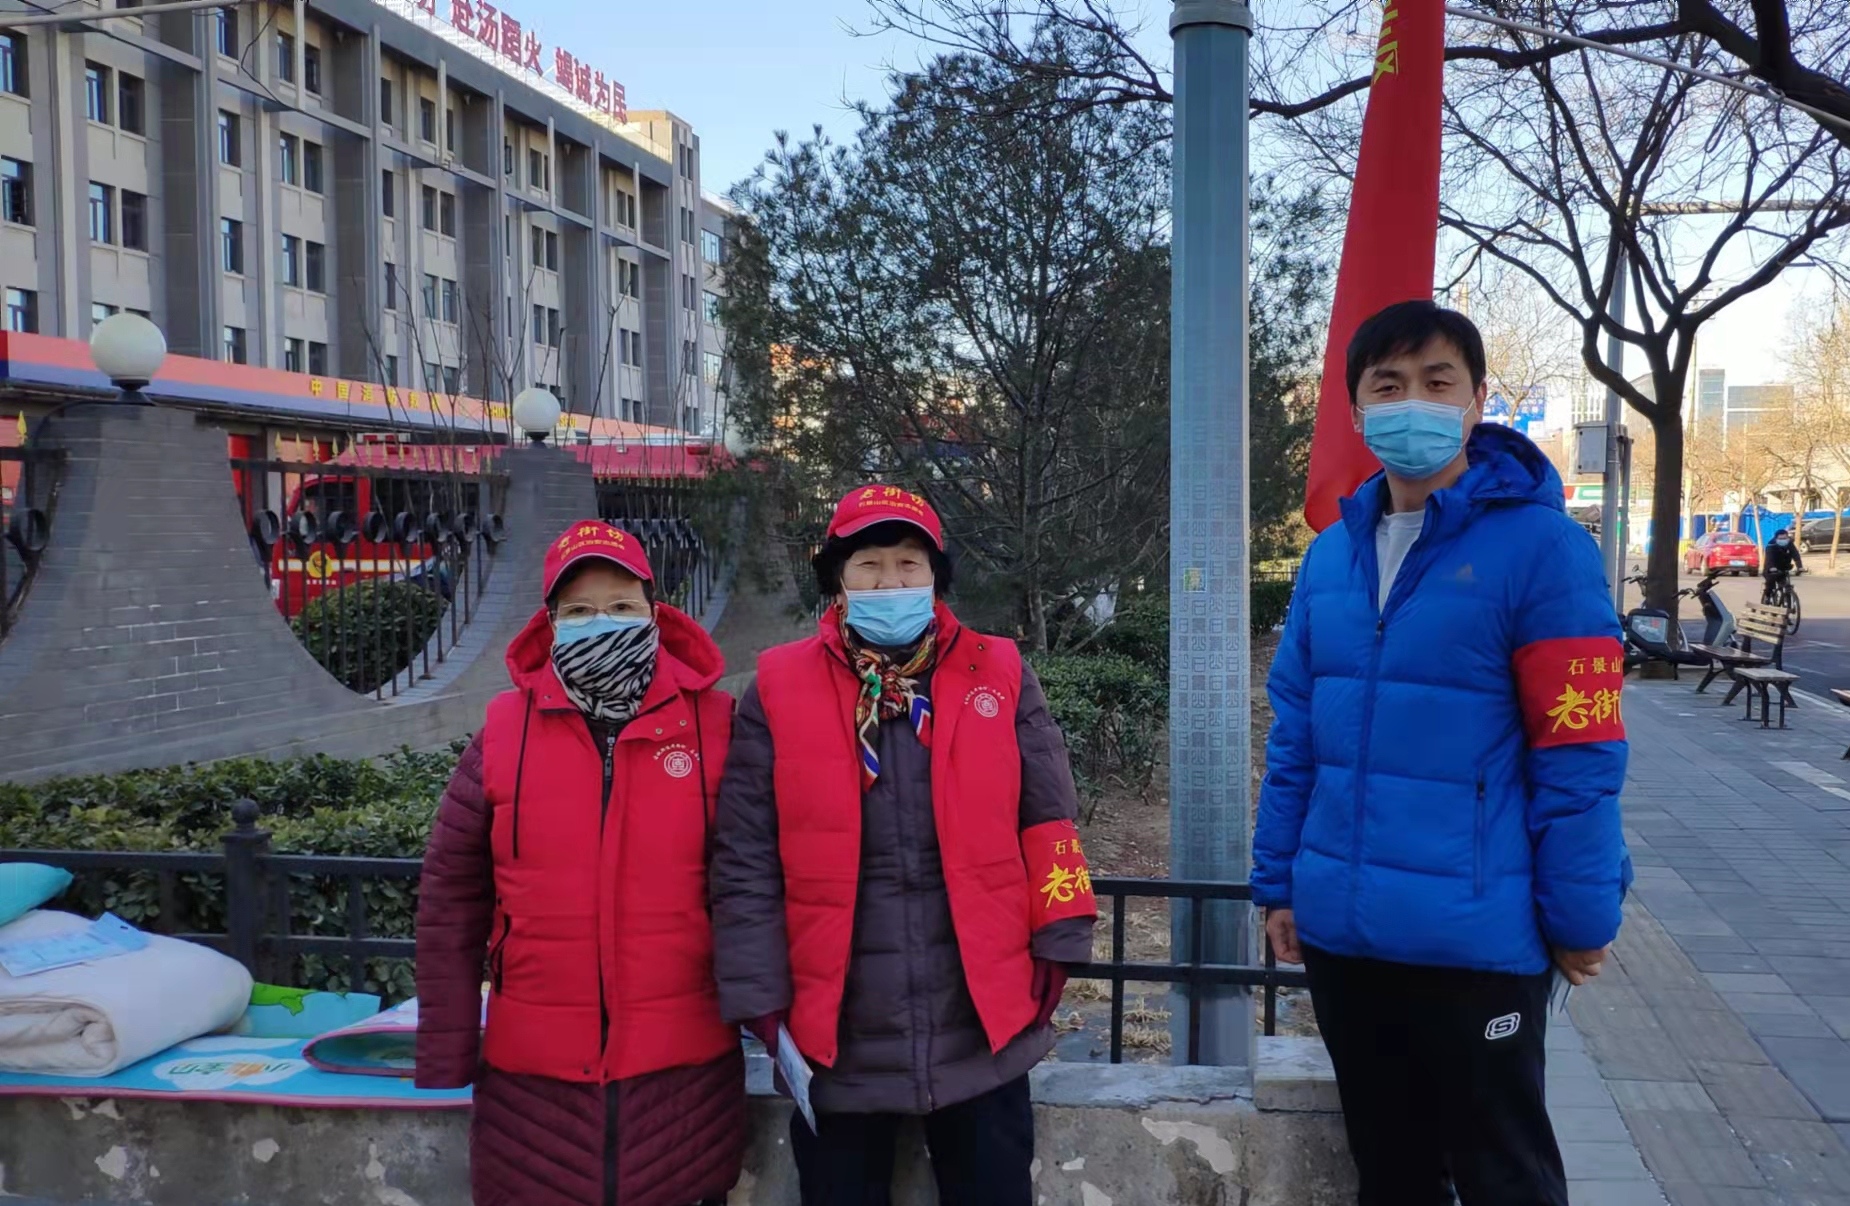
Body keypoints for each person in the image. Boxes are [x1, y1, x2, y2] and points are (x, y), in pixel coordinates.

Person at [1253, 300, 1631, 1206]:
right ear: (1355, 408)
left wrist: (1582, 914)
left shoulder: (1544, 550)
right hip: (1348, 937)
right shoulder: (1332, 558)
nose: (1411, 402)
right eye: (1388, 385)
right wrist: (1280, 884)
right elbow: (1297, 735)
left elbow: (1579, 751)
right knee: (1392, 1176)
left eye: (1436, 381)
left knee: (1506, 1177)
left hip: (1475, 943)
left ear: (1476, 399)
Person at [709, 486, 1096, 1206]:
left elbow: (1050, 822)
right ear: (837, 579)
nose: (890, 583)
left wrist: (1062, 940)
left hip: (982, 1021)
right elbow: (745, 857)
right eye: (869, 565)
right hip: (839, 1033)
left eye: (909, 563)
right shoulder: (779, 686)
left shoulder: (999, 670)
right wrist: (759, 997)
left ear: (936, 576)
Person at [415, 520, 744, 1206]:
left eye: (621, 606)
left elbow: (758, 886)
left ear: (654, 612)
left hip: (682, 1076)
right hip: (533, 1086)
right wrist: (445, 1052)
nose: (603, 623)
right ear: (551, 623)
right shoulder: (502, 735)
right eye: (580, 611)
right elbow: (451, 901)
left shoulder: (718, 727)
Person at [1763, 527, 1803, 603]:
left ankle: (1787, 600)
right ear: (1776, 539)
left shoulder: (1789, 544)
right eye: (1780, 539)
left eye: (1785, 538)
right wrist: (1772, 567)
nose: (1783, 540)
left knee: (1785, 584)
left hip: (1784, 567)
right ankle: (1767, 597)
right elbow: (1769, 558)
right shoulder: (1771, 545)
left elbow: (1796, 555)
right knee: (1770, 583)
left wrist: (1800, 567)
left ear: (1787, 538)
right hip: (1771, 568)